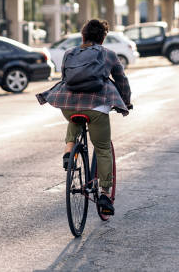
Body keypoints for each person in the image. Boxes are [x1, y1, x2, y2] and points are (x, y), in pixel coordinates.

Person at [36, 18, 132, 215]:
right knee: (103, 148)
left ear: (83, 35)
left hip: (68, 104)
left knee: (75, 115)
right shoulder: (109, 54)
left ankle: (69, 150)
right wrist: (126, 101)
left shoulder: (69, 53)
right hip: (97, 106)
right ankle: (105, 194)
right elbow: (122, 81)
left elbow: (65, 78)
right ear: (103, 38)